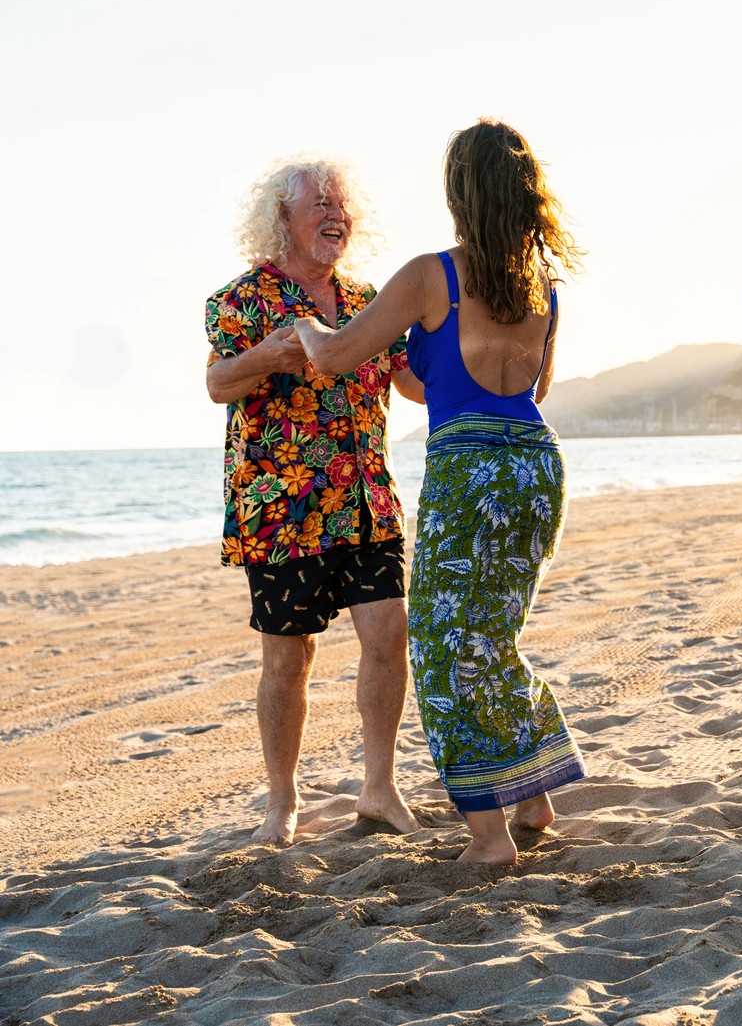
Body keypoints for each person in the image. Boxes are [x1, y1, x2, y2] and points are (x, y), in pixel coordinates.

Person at [297, 119, 586, 864]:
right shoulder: (545, 287)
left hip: (467, 472)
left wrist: (299, 323)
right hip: (535, 465)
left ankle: (489, 837)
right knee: (493, 637)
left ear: (460, 193)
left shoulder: (433, 275)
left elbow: (331, 357)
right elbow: (524, 386)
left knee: (438, 648)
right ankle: (533, 796)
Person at [205, 156, 423, 845]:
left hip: (367, 500)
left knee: (390, 636)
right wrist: (267, 356)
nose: (336, 213)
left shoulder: (369, 302)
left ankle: (379, 786)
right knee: (287, 660)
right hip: (282, 507)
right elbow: (217, 383)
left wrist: (485, 358)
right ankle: (282, 800)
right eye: (319, 202)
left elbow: (411, 381)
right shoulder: (240, 300)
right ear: (283, 219)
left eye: (342, 203)